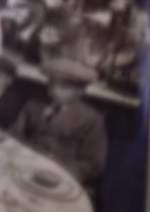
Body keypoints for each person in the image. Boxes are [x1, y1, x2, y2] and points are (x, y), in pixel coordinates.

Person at [11, 59, 107, 188]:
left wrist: (59, 170)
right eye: (52, 85)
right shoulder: (34, 105)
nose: (54, 91)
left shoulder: (92, 119)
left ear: (80, 92)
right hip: (23, 164)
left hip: (60, 176)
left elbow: (93, 163)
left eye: (64, 88)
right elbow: (14, 134)